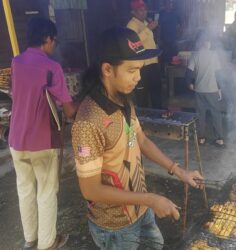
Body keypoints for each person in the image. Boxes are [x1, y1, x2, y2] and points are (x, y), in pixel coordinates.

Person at [71, 26, 204, 250]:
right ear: (107, 69)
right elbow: (90, 190)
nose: (138, 77)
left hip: (140, 208)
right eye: (132, 70)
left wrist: (180, 171)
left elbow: (140, 140)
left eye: (140, 69)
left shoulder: (124, 100)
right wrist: (151, 200)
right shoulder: (88, 122)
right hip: (115, 227)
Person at [9, 17, 77, 250]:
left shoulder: (16, 63)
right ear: (47, 38)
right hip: (43, 141)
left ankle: (30, 240)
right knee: (47, 192)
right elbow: (68, 111)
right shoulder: (52, 67)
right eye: (54, 41)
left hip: (16, 140)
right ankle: (48, 243)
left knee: (25, 190)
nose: (54, 46)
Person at [186, 33, 225, 147]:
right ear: (207, 43)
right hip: (212, 90)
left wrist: (190, 84)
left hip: (199, 90)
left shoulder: (195, 55)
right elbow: (218, 73)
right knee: (216, 114)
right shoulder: (214, 55)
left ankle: (201, 138)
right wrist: (220, 88)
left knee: (201, 114)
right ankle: (219, 139)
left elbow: (188, 72)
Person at [127, 0, 162, 108]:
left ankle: (159, 118)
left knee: (156, 91)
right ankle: (144, 119)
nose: (144, 12)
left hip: (153, 63)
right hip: (142, 66)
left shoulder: (145, 23)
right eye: (141, 11)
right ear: (133, 12)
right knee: (142, 95)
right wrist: (148, 29)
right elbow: (133, 44)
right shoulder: (131, 25)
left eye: (145, 10)